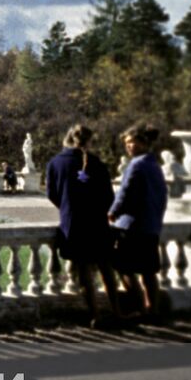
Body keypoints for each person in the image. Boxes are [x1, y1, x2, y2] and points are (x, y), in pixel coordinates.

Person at [46, 124, 125, 328]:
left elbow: (52, 195)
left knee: (84, 274)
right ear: (89, 141)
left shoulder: (55, 163)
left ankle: (96, 315)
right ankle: (116, 312)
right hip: (97, 223)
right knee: (106, 269)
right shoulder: (97, 163)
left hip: (73, 224)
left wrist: (67, 207)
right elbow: (109, 197)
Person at [109, 123, 169, 321]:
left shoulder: (136, 164)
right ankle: (153, 309)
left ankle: (140, 308)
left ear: (143, 143)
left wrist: (112, 213)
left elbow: (124, 193)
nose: (129, 147)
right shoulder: (155, 165)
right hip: (151, 225)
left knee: (123, 266)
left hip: (132, 225)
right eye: (127, 143)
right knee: (148, 271)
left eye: (132, 142)